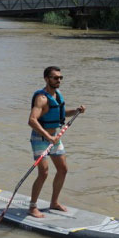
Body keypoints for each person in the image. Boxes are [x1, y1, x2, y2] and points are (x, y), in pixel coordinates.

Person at [27, 66, 86, 218]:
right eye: (55, 78)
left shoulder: (58, 95)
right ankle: (32, 207)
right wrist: (48, 136)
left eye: (60, 78)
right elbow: (32, 120)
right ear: (46, 79)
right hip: (40, 139)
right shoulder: (42, 98)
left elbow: (61, 113)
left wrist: (76, 111)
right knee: (44, 173)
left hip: (55, 139)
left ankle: (54, 202)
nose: (58, 80)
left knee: (63, 169)